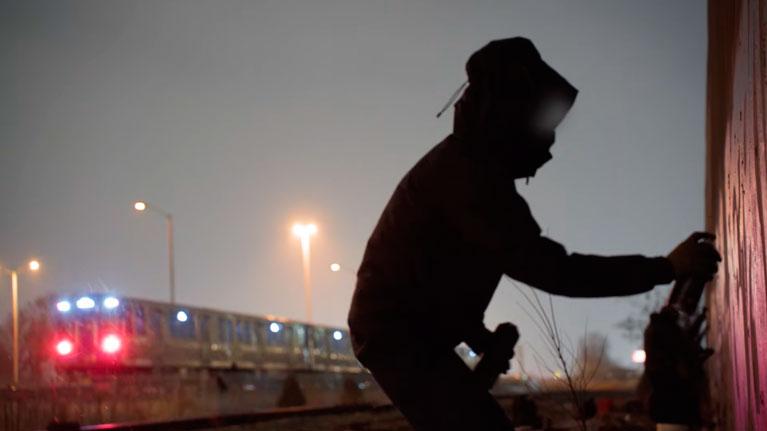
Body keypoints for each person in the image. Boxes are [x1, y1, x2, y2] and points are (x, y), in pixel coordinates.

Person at [347, 37, 720, 431]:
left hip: (409, 332)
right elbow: (555, 271)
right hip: (397, 336)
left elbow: (435, 271)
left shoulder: (469, 170)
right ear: (509, 115)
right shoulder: (471, 181)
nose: (548, 147)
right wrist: (665, 268)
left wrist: (477, 335)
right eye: (540, 125)